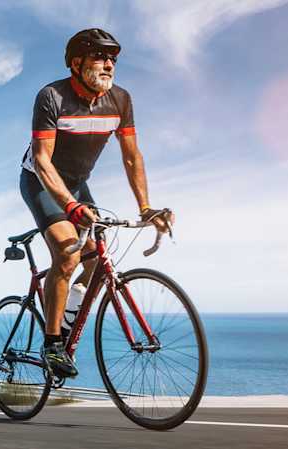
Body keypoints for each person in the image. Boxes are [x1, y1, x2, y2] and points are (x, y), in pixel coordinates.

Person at [19, 28, 172, 378]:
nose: (109, 65)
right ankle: (52, 344)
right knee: (68, 251)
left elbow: (132, 157)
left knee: (96, 262)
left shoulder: (120, 100)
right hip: (41, 179)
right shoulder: (52, 97)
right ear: (76, 63)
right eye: (100, 58)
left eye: (113, 60)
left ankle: (68, 308)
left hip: (77, 182)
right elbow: (42, 161)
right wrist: (70, 208)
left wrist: (146, 207)